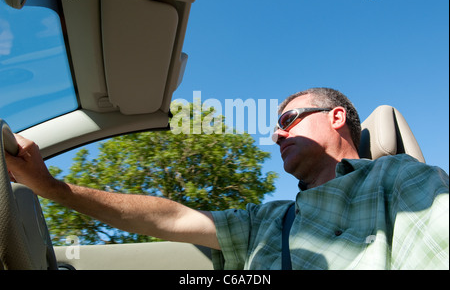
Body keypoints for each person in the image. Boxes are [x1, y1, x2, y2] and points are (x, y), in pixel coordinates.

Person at [5, 87, 449, 270]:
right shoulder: (270, 220)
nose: (277, 133)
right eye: (277, 125)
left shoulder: (398, 180)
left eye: (290, 119)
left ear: (336, 117)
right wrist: (51, 188)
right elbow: (173, 219)